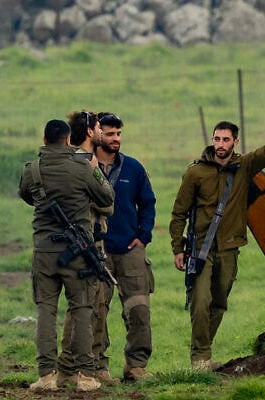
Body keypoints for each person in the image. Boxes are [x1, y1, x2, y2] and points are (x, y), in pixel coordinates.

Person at [169, 121, 265, 371]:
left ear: (235, 142)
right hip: (199, 249)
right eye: (217, 139)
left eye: (225, 140)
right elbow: (179, 213)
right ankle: (199, 358)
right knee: (200, 299)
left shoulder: (244, 167)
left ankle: (204, 352)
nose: (220, 145)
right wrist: (177, 248)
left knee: (219, 301)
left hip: (229, 247)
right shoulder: (196, 173)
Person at [18, 119, 114, 392]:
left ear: (45, 139)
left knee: (46, 310)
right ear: (68, 139)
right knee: (82, 309)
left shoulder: (32, 170)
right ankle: (85, 376)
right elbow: (107, 197)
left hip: (44, 252)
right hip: (78, 252)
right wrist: (96, 172)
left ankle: (46, 376)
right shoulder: (82, 168)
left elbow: (28, 196)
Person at [57, 111, 119, 386]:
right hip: (85, 241)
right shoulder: (84, 163)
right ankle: (71, 368)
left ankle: (82, 367)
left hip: (89, 239)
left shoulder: (72, 161)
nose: (101, 131)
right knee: (82, 306)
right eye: (97, 127)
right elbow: (107, 203)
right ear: (90, 131)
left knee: (92, 305)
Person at [95, 112, 157, 382]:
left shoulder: (133, 167)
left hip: (130, 249)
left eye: (118, 134)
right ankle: (98, 367)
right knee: (96, 310)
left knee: (139, 309)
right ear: (97, 135)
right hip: (97, 250)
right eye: (110, 134)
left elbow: (148, 202)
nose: (116, 139)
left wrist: (143, 236)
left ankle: (136, 367)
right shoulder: (86, 167)